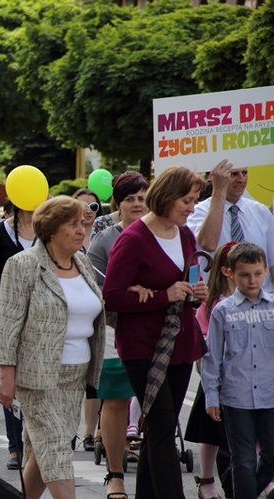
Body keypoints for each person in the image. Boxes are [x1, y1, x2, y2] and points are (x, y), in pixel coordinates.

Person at [103, 166, 208, 498]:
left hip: (180, 343)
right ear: (167, 197)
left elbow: (185, 285)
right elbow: (112, 296)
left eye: (194, 201)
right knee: (163, 427)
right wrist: (165, 295)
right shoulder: (132, 239)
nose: (192, 208)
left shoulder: (185, 234)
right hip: (143, 347)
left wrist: (194, 294)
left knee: (157, 429)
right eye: (187, 201)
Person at [0, 196, 105, 499]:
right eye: (72, 224)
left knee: (44, 449)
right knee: (55, 446)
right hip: (37, 375)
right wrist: (6, 376)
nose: (81, 229)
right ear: (51, 230)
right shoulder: (22, 265)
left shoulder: (81, 261)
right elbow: (7, 323)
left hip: (75, 374)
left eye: (82, 222)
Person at [87, 171, 150, 498]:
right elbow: (95, 290)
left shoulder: (165, 233)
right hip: (114, 331)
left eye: (142, 197)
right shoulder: (105, 240)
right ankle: (115, 473)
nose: (137, 204)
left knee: (156, 403)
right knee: (115, 402)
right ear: (118, 203)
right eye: (130, 199)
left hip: (154, 331)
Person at [202, 242, 274, 498]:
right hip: (236, 397)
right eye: (244, 274)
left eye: (257, 273)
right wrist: (212, 395)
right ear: (231, 273)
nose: (252, 280)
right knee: (242, 460)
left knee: (271, 454)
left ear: (265, 270)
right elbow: (211, 358)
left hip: (270, 394)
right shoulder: (223, 311)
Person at [0, 202, 37, 470]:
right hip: (8, 312)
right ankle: (15, 447)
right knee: (9, 379)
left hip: (44, 315)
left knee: (38, 381)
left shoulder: (48, 228)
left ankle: (36, 443)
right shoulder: (0, 232)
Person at [186, 242, 237, 499]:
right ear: (228, 270)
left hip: (247, 377)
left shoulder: (261, 302)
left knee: (260, 427)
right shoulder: (212, 304)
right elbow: (202, 337)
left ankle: (266, 478)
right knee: (211, 431)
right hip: (217, 376)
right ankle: (206, 481)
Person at [187, 159, 274, 292]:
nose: (241, 179)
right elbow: (208, 243)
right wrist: (219, 190)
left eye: (244, 173)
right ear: (214, 177)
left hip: (258, 304)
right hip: (219, 301)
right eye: (233, 174)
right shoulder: (197, 212)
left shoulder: (261, 212)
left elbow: (272, 263)